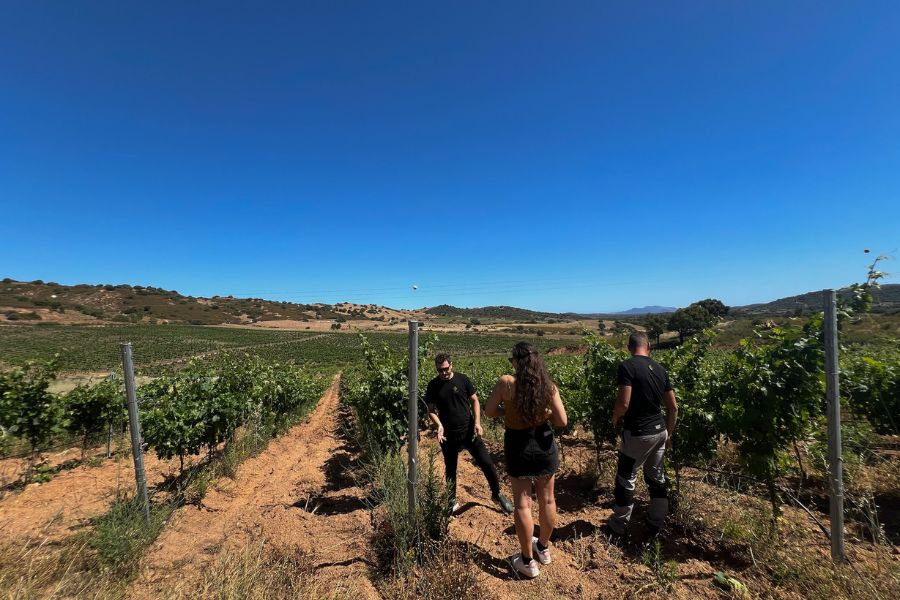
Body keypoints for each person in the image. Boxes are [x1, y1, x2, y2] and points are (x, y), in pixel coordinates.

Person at [485, 342, 567, 579]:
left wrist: (508, 412)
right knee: (548, 499)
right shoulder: (548, 387)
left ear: (516, 361)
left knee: (522, 504)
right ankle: (543, 548)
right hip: (544, 445)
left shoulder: (506, 383)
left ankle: (527, 562)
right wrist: (545, 414)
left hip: (518, 447)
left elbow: (490, 411)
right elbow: (561, 420)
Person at [607, 331, 678, 537]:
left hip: (638, 433)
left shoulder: (627, 366)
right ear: (649, 346)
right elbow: (673, 408)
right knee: (656, 477)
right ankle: (655, 523)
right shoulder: (660, 369)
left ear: (629, 348)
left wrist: (615, 417)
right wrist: (669, 434)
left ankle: (618, 526)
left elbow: (624, 403)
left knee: (626, 477)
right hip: (660, 432)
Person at [425, 353, 514, 515]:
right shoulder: (433, 385)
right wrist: (438, 425)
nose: (443, 373)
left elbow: (475, 400)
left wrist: (478, 423)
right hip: (448, 435)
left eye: (445, 369)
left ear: (451, 365)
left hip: (469, 431)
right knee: (450, 468)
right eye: (440, 370)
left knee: (487, 464)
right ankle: (451, 499)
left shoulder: (462, 379)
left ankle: (497, 494)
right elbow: (430, 410)